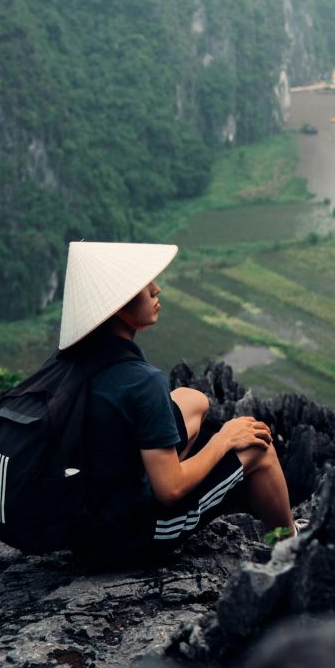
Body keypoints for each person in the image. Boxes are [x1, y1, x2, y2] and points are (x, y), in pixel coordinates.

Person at [57, 241, 296, 564]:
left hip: (84, 522)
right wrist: (224, 439)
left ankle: (160, 470)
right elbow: (169, 489)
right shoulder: (142, 381)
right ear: (119, 307)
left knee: (191, 399)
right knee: (257, 444)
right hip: (130, 536)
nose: (157, 289)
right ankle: (292, 547)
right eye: (144, 286)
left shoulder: (69, 366)